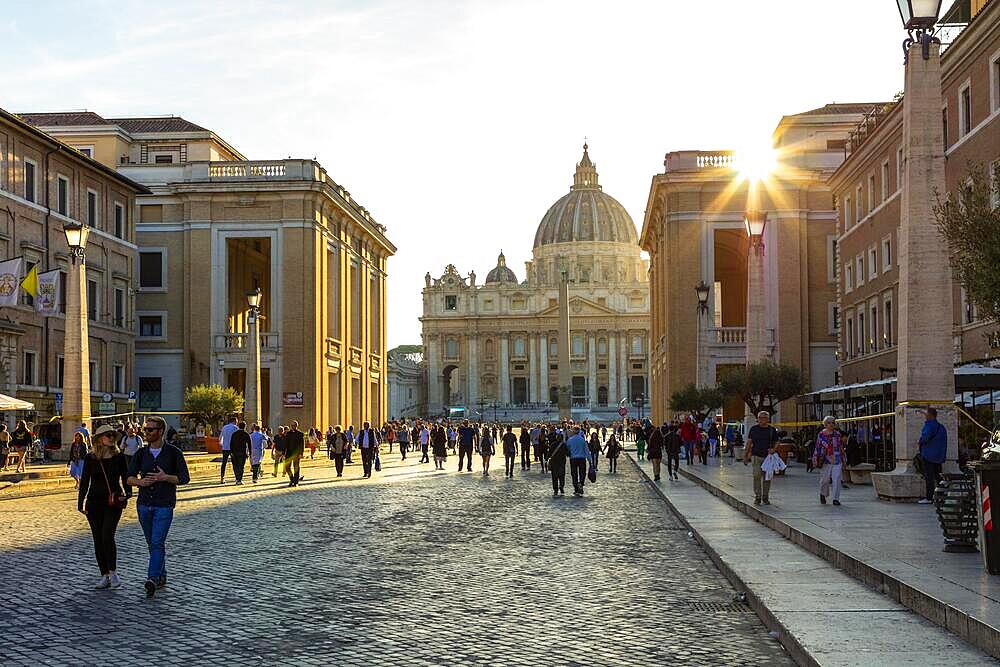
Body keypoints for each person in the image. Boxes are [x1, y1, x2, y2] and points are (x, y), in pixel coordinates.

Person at [127, 416, 190, 597]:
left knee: (156, 542)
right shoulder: (140, 453)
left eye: (151, 430)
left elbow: (184, 478)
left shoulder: (174, 453)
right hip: (144, 504)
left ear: (161, 431)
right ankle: (161, 574)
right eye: (146, 430)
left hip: (164, 504)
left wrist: (166, 478)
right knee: (152, 543)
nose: (146, 433)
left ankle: (152, 578)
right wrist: (140, 482)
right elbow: (129, 477)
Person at [78, 424, 130, 590]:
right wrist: (80, 503)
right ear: (100, 439)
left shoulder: (119, 457)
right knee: (98, 539)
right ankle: (104, 575)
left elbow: (125, 476)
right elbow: (85, 481)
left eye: (112, 435)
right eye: (108, 435)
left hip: (113, 501)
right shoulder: (90, 458)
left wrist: (127, 494)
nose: (111, 438)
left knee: (107, 535)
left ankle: (113, 572)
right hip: (94, 502)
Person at [743, 411, 780, 505]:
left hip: (768, 457)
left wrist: (773, 449)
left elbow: (777, 442)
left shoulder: (771, 430)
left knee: (767, 478)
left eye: (763, 418)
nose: (761, 420)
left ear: (767, 419)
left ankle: (765, 497)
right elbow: (749, 442)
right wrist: (746, 455)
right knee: (756, 476)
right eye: (760, 418)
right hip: (756, 456)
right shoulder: (754, 429)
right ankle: (758, 496)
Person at [813, 416, 845, 506]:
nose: (831, 424)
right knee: (825, 480)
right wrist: (815, 458)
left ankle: (836, 498)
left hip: (837, 459)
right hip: (825, 459)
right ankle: (823, 494)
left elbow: (840, 446)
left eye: (833, 423)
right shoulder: (821, 434)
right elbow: (818, 447)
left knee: (837, 479)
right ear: (825, 424)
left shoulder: (837, 434)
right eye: (829, 423)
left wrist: (844, 458)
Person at [918, 407, 947, 504]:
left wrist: (920, 441)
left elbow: (925, 438)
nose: (924, 416)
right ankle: (941, 496)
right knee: (938, 477)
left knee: (929, 477)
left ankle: (929, 497)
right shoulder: (941, 427)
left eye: (926, 414)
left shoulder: (929, 426)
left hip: (928, 455)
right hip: (938, 456)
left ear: (930, 415)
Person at [565, 426, 590, 497]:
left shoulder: (570, 440)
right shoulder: (582, 439)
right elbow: (586, 450)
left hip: (573, 458)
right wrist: (590, 460)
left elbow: (567, 448)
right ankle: (581, 483)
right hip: (582, 458)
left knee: (574, 473)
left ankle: (576, 488)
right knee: (582, 472)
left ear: (573, 431)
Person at [282, 421, 306, 487]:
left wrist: (301, 453)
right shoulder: (288, 434)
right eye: (292, 425)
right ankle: (292, 479)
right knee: (287, 467)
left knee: (296, 467)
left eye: (294, 425)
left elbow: (302, 445)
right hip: (289, 453)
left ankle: (296, 482)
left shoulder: (300, 434)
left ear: (296, 426)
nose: (293, 427)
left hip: (296, 454)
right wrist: (283, 453)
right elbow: (285, 444)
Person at [547, 425, 567, 496]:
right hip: (562, 462)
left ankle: (555, 489)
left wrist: (546, 460)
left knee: (554, 477)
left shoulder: (552, 445)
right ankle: (561, 486)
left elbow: (549, 454)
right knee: (562, 476)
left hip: (554, 463)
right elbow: (568, 453)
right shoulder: (564, 445)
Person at [218, 416, 238, 484]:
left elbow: (220, 438)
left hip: (225, 448)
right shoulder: (235, 428)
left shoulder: (224, 427)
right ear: (234, 421)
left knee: (224, 463)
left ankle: (222, 478)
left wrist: (222, 445)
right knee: (234, 463)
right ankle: (237, 478)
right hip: (233, 448)